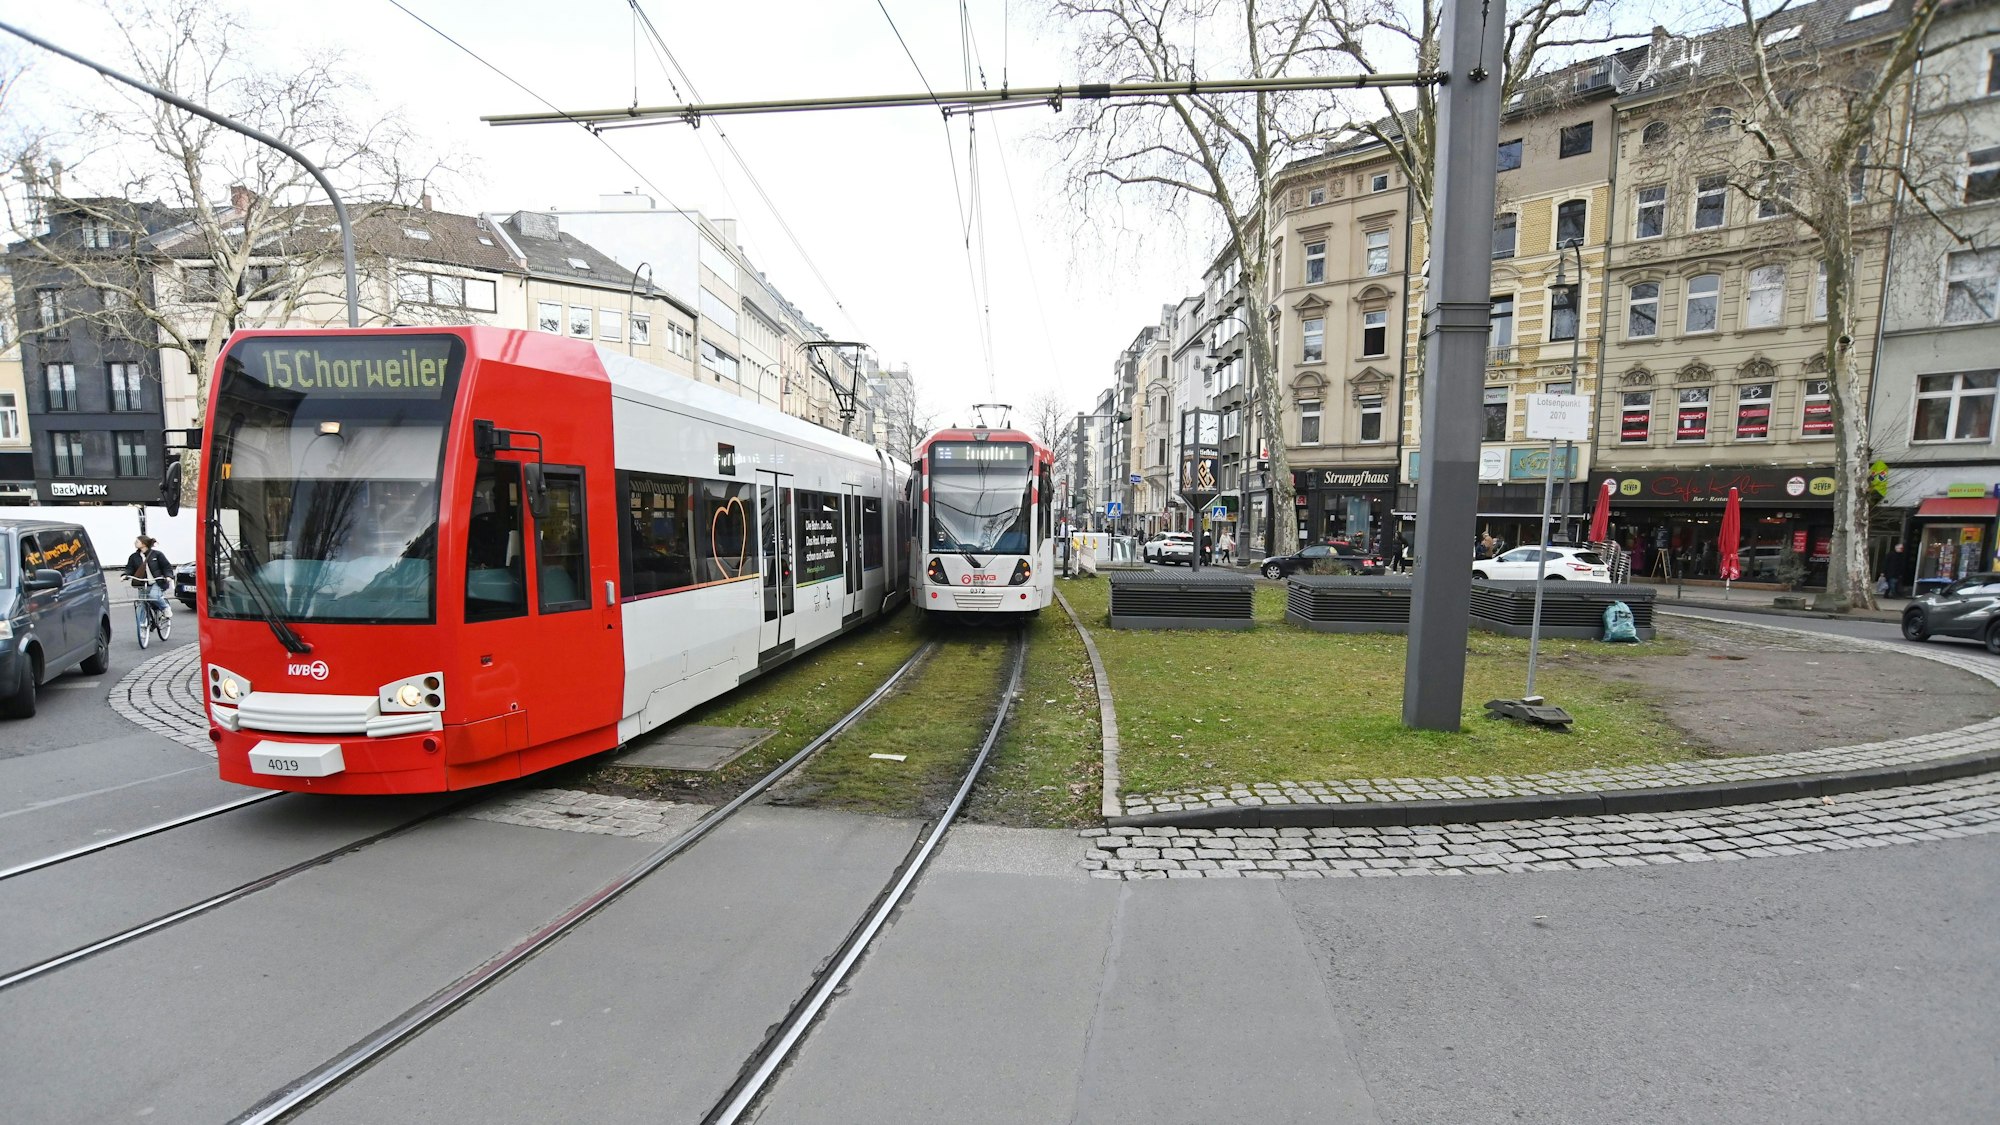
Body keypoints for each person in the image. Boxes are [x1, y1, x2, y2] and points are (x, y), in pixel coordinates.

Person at [123, 536, 173, 619]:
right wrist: (125, 575)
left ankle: (165, 608)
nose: (135, 543)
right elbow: (130, 568)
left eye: (137, 541)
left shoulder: (157, 554)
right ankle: (144, 623)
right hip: (142, 582)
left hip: (156, 582)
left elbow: (166, 567)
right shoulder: (134, 557)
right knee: (142, 602)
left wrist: (168, 576)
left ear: (144, 543)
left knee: (154, 596)